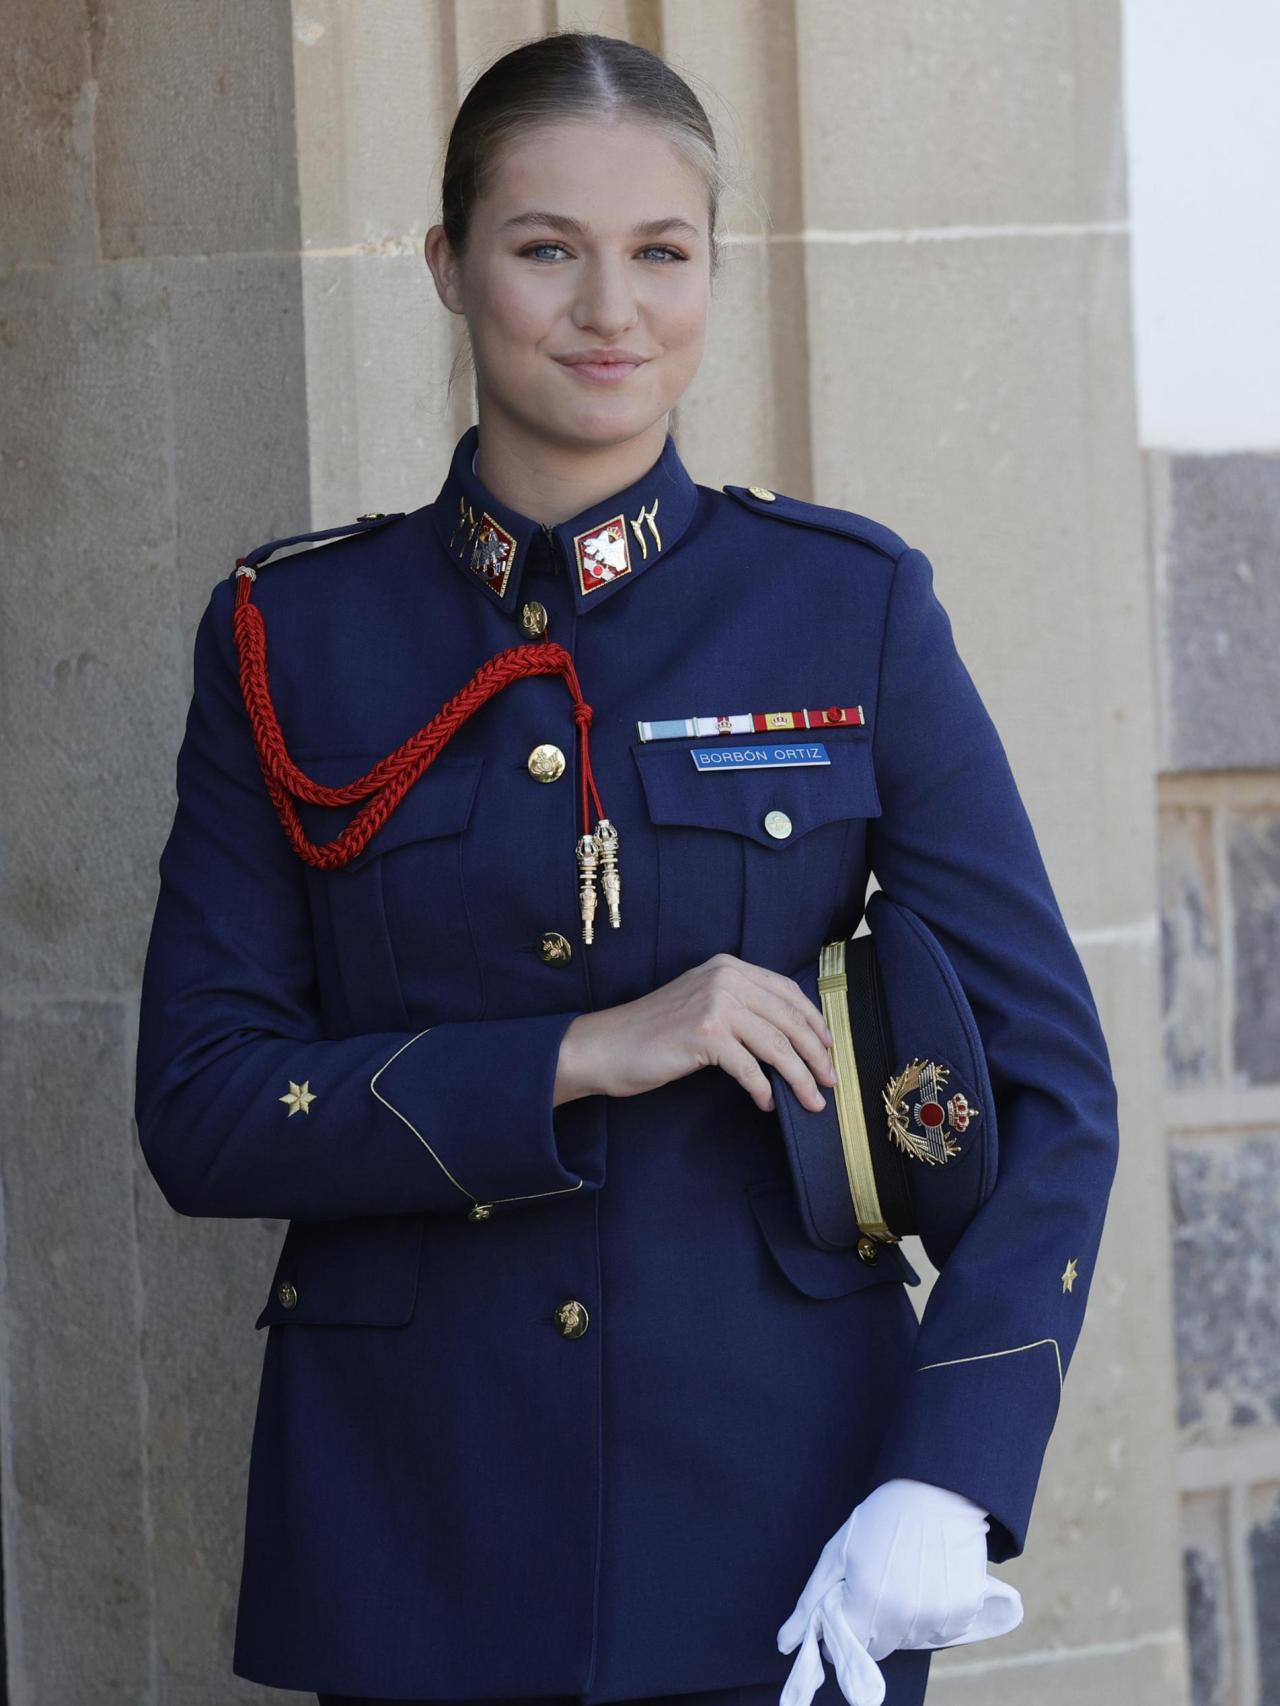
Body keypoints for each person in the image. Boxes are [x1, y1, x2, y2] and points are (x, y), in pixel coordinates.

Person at [132, 27, 1119, 1706]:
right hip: (413, 1542)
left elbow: (1054, 1090)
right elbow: (204, 1103)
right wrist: (584, 1050)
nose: (611, 310)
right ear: (447, 266)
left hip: (787, 1537)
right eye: (546, 250)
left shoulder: (848, 608)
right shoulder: (290, 636)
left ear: (713, 268)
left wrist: (954, 1466)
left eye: (662, 252)